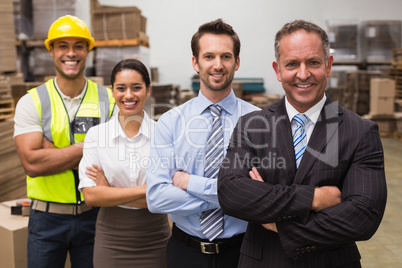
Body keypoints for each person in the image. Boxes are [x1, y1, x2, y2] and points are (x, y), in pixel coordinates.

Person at [217, 19, 387, 267]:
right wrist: (314, 199)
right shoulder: (251, 126)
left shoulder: (360, 131)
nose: (303, 74)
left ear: (328, 66)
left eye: (314, 62)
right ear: (277, 70)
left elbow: (363, 216)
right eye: (292, 64)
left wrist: (279, 226)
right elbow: (231, 192)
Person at [146, 19, 260, 268]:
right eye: (209, 56)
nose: (217, 65)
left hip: (245, 252)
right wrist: (234, 195)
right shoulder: (170, 122)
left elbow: (264, 194)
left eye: (226, 57)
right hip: (185, 253)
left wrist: (190, 184)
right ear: (196, 62)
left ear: (237, 62)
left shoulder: (260, 122)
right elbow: (156, 198)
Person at [13, 15, 116, 267]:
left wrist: (53, 150)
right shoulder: (32, 101)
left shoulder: (109, 99)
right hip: (46, 220)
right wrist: (91, 148)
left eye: (78, 46)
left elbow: (116, 160)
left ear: (88, 50)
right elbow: (33, 164)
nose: (71, 53)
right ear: (51, 50)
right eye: (63, 46)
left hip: (96, 217)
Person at [78, 58, 171, 267]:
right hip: (111, 240)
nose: (128, 95)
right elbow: (91, 196)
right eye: (121, 88)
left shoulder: (164, 136)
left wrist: (109, 192)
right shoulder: (97, 135)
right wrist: (147, 189)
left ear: (148, 90)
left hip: (155, 238)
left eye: (136, 88)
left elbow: (166, 197)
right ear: (112, 91)